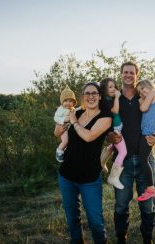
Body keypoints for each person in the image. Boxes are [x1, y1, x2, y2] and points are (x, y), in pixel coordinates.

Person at [107, 62, 155, 243]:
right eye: (125, 72)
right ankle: (121, 238)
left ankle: (148, 238)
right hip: (122, 160)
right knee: (121, 204)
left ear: (137, 75)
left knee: (148, 205)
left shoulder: (145, 96)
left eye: (132, 72)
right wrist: (110, 137)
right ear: (121, 74)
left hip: (146, 158)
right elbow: (107, 127)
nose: (128, 75)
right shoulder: (113, 99)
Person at [55, 82, 112, 244]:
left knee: (96, 222)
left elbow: (88, 137)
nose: (91, 96)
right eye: (87, 93)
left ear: (100, 96)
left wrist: (74, 122)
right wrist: (60, 125)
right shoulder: (76, 112)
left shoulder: (105, 117)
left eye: (94, 93)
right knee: (72, 219)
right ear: (82, 97)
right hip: (66, 175)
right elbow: (56, 133)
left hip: (90, 178)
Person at [135, 79, 155, 202]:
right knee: (144, 159)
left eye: (142, 88)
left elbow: (143, 108)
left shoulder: (153, 93)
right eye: (139, 92)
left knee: (143, 159)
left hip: (149, 132)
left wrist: (139, 100)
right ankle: (150, 188)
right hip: (152, 131)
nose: (141, 92)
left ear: (149, 86)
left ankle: (151, 189)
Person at [99, 78, 127, 189]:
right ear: (104, 90)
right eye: (110, 87)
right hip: (115, 130)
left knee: (111, 147)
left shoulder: (108, 99)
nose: (113, 89)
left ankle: (101, 163)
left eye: (114, 86)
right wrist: (117, 97)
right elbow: (115, 111)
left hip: (117, 128)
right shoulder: (106, 101)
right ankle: (113, 177)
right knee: (123, 152)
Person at [54, 87, 79, 163]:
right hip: (63, 127)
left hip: (69, 128)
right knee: (65, 141)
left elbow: (76, 111)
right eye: (65, 101)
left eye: (70, 101)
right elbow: (56, 118)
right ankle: (59, 151)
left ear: (74, 103)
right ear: (62, 102)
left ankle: (64, 150)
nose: (68, 103)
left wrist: (81, 107)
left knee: (68, 141)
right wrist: (64, 119)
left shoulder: (72, 109)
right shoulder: (61, 109)